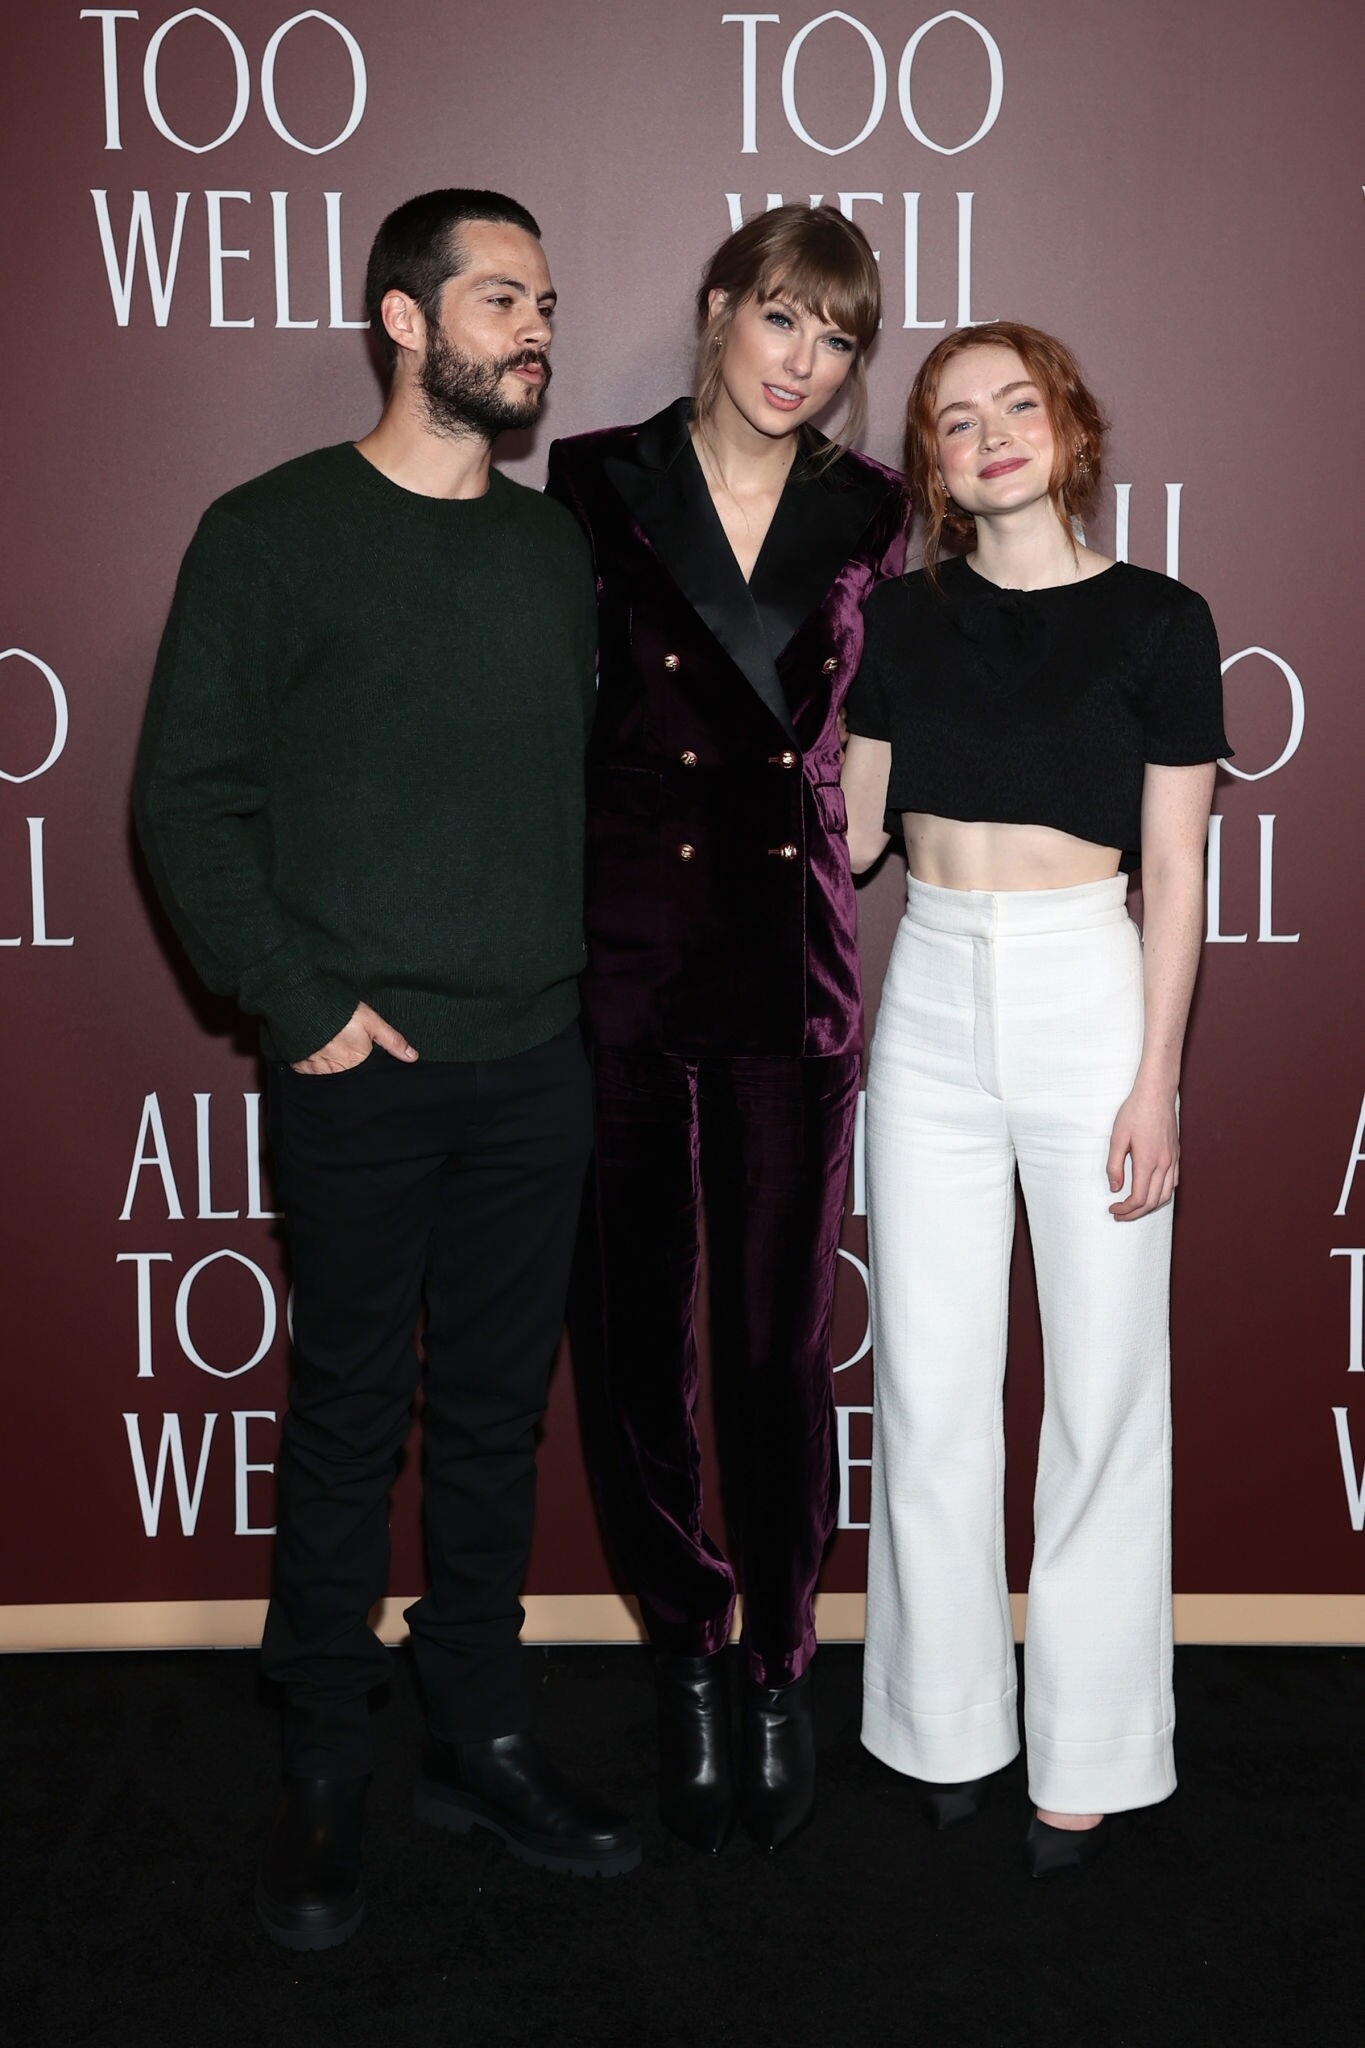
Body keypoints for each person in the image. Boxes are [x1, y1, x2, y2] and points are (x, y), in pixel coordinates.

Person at [134, 188, 639, 1951]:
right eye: (501, 298)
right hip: (359, 1066)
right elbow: (185, 797)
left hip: (534, 1061)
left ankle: (477, 1734)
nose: (536, 329)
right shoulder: (269, 533)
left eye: (546, 302)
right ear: (403, 321)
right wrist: (302, 1004)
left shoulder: (549, 551)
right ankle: (326, 1758)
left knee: (497, 1420)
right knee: (351, 1410)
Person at [841, 322, 1229, 1874]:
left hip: (1087, 995)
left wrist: (1155, 1080)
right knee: (928, 1388)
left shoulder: (1159, 620)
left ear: (1068, 426)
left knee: (1103, 1394)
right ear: (931, 465)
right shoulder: (895, 617)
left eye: (1015, 404)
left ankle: (1092, 1748)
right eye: (954, 419)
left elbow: (1176, 870)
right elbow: (850, 835)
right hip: (929, 995)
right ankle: (940, 1722)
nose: (989, 433)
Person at [546, 204, 905, 1853]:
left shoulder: (869, 508)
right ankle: (685, 1651)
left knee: (774, 1343)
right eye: (780, 319)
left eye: (835, 339)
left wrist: (854, 836)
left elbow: (876, 724)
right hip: (622, 954)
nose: (802, 362)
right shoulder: (594, 481)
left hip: (787, 961)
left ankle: (776, 1664)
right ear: (714, 310)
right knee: (634, 1334)